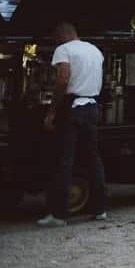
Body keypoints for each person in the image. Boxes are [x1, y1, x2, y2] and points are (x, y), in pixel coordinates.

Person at [37, 22, 108, 227]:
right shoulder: (94, 50)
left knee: (65, 159)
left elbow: (63, 78)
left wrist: (52, 110)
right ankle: (100, 209)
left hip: (73, 107)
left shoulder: (64, 50)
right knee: (94, 158)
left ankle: (59, 215)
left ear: (60, 35)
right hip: (92, 107)